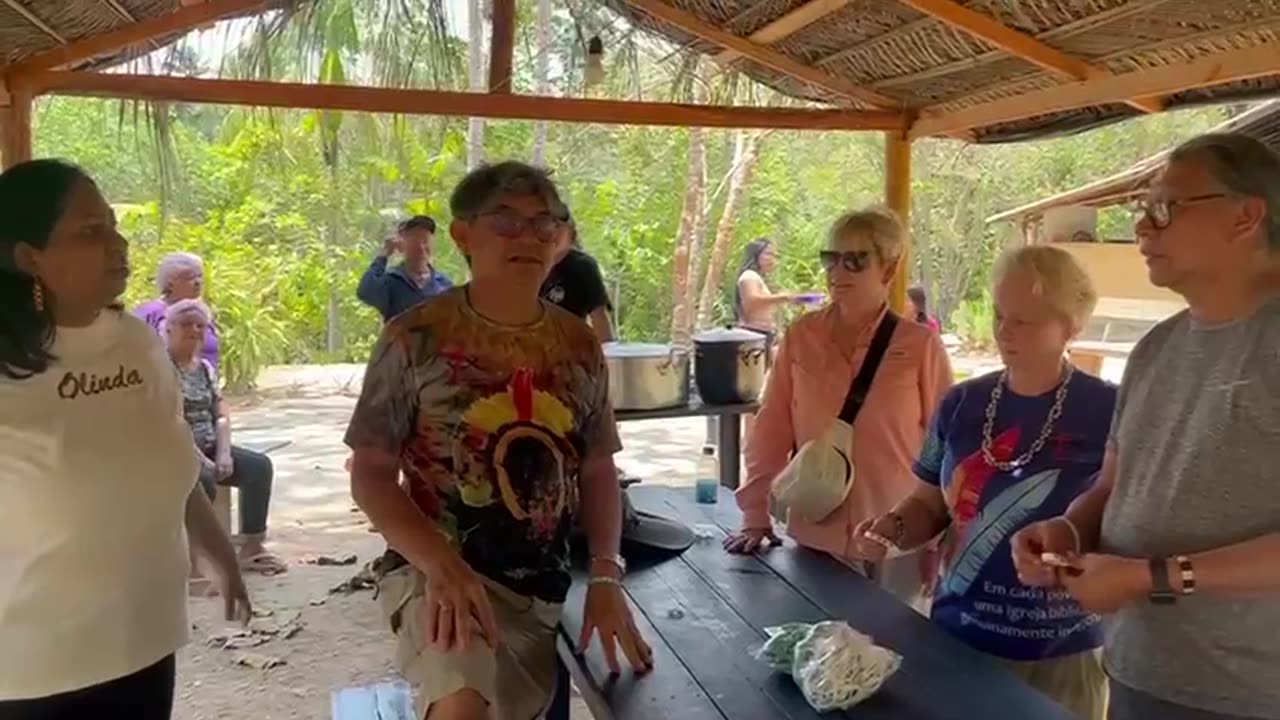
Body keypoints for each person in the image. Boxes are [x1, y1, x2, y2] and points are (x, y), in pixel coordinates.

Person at [346, 161, 652, 720]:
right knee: (462, 701)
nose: (529, 238)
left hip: (543, 581)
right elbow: (370, 472)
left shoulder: (578, 344)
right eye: (506, 222)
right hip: (438, 573)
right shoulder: (414, 337)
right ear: (463, 234)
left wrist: (606, 572)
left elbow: (597, 469)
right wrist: (442, 565)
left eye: (544, 225)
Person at [1011, 132, 1280, 720]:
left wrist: (1150, 577)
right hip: (1140, 670)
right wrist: (1067, 532)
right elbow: (1113, 485)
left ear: (1245, 216)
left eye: (1164, 208)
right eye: (1142, 211)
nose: (1142, 229)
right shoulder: (1157, 347)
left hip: (1251, 693)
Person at [0, 159, 249, 718]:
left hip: (146, 637)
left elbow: (172, 460)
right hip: (32, 664)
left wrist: (219, 554)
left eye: (112, 225)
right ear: (28, 256)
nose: (118, 243)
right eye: (91, 231)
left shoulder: (136, 342)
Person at [851, 245, 1112, 719]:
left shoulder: (1110, 410)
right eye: (998, 314)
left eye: (1025, 320)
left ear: (1071, 326)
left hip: (1063, 653)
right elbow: (928, 505)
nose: (1004, 330)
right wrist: (890, 528)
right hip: (959, 641)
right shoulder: (961, 404)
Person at [724, 207, 953, 605]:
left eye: (855, 260)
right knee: (813, 655)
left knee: (897, 658)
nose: (837, 272)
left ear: (889, 267)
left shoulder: (919, 345)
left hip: (896, 539)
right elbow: (771, 429)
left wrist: (935, 537)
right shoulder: (801, 336)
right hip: (817, 534)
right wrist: (755, 514)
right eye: (830, 259)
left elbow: (946, 447)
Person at [165, 298, 286, 579]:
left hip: (207, 446)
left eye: (200, 325)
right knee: (202, 480)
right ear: (169, 329)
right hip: (174, 452)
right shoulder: (159, 369)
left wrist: (223, 453)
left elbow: (220, 412)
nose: (194, 331)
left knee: (258, 467)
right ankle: (197, 560)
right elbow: (170, 422)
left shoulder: (204, 368)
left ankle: (252, 548)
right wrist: (200, 459)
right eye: (185, 325)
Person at [357, 215, 454, 322]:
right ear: (402, 245)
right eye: (415, 241)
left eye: (425, 241)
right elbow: (365, 292)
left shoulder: (443, 283)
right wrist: (384, 254)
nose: (421, 247)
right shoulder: (392, 281)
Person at [134, 251, 219, 369]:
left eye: (200, 276)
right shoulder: (149, 313)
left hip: (202, 383)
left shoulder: (201, 314)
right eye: (190, 277)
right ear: (170, 283)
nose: (197, 282)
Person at [540, 209, 614, 342]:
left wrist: (609, 359)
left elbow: (600, 319)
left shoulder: (583, 267)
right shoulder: (522, 263)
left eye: (559, 227)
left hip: (570, 353)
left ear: (570, 235)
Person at [734, 238, 808, 352]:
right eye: (768, 254)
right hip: (752, 334)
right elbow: (752, 300)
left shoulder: (758, 278)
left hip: (762, 334)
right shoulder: (749, 276)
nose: (772, 259)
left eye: (775, 255)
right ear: (755, 254)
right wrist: (783, 297)